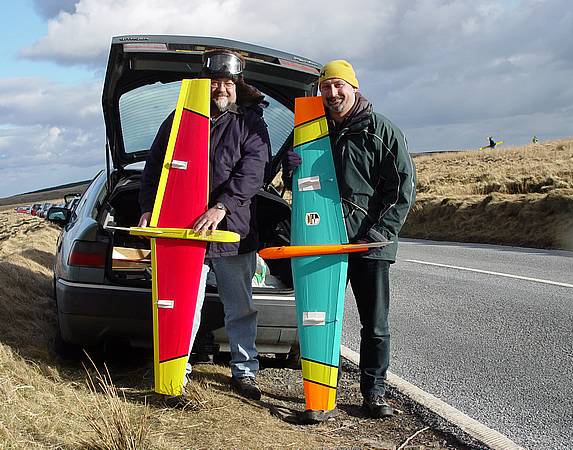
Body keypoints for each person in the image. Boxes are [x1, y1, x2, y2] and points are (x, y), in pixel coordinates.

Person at [283, 60, 416, 419]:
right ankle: (321, 397)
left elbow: (402, 189)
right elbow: (292, 181)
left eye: (339, 85)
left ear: (354, 88)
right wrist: (291, 167)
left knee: (375, 324)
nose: (332, 93)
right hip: (325, 241)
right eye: (326, 87)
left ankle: (374, 394)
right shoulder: (312, 129)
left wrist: (379, 234)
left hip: (369, 244)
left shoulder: (381, 130)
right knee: (322, 317)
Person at [138, 50, 270, 401]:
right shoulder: (180, 117)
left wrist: (221, 207)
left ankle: (245, 372)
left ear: (238, 86)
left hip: (233, 231)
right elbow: (155, 167)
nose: (221, 89)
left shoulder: (250, 123)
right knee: (183, 304)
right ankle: (175, 372)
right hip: (185, 232)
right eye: (215, 82)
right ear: (204, 84)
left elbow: (253, 171)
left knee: (239, 306)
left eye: (228, 83)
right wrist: (151, 209)